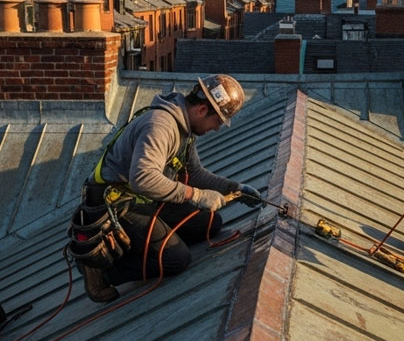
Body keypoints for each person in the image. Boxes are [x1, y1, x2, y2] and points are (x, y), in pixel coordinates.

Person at [70, 74, 261, 303]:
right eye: (218, 121)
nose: (217, 128)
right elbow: (143, 178)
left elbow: (195, 174)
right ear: (202, 110)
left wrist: (235, 188)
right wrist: (195, 195)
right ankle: (101, 272)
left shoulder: (184, 128)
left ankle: (148, 242)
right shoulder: (160, 126)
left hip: (144, 198)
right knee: (175, 259)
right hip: (115, 203)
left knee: (210, 223)